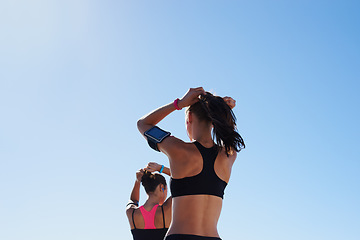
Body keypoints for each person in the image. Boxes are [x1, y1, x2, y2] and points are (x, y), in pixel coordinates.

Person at [137, 87, 245, 240]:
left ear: (190, 119)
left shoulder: (178, 149)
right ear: (213, 122)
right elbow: (229, 133)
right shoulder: (229, 155)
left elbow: (143, 124)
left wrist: (179, 104)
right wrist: (223, 112)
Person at [126, 162, 172, 240]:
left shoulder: (132, 213)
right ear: (162, 187)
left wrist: (138, 181)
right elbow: (184, 179)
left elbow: (133, 200)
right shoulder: (166, 209)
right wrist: (161, 168)